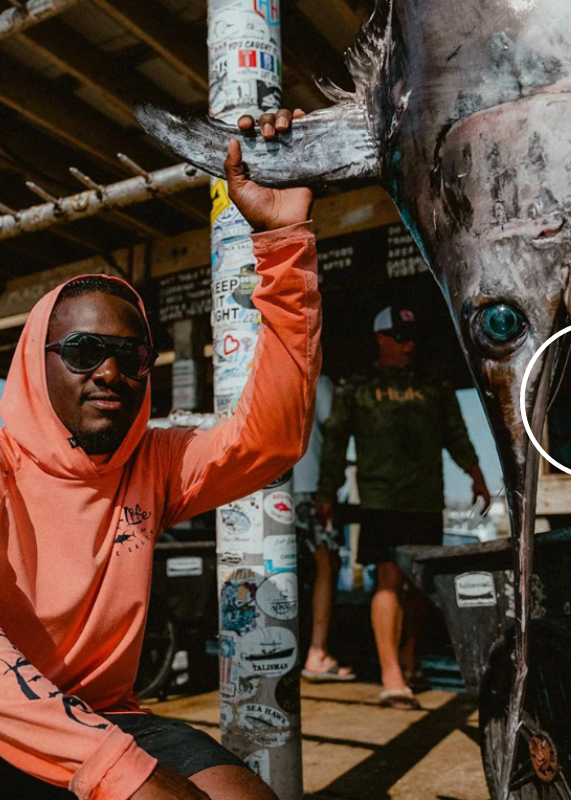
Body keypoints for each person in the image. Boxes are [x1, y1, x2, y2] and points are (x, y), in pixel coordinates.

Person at [0, 110, 318, 800]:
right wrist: (124, 774)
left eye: (129, 356)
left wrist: (283, 239)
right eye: (83, 353)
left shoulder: (152, 462)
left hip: (106, 714)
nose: (109, 374)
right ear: (36, 361)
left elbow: (273, 438)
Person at [316, 306, 489, 710]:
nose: (409, 344)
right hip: (380, 501)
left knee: (419, 585)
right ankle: (391, 674)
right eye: (399, 336)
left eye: (412, 336)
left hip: (426, 500)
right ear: (380, 338)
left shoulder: (434, 384)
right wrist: (327, 492)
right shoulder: (357, 386)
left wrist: (477, 475)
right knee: (388, 579)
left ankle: (411, 656)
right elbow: (336, 443)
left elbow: (457, 434)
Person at [297, 375, 357, 683]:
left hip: (269, 488)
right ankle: (317, 653)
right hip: (312, 489)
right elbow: (335, 429)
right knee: (326, 565)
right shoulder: (318, 380)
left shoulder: (259, 373)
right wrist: (330, 487)